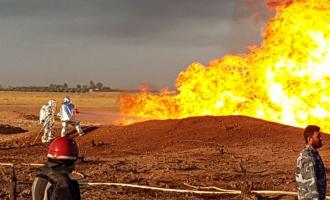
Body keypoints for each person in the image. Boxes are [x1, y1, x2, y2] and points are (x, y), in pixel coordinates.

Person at [296, 125, 326, 200]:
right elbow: (312, 185)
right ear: (309, 139)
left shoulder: (313, 154)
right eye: (318, 137)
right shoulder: (308, 157)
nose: (321, 139)